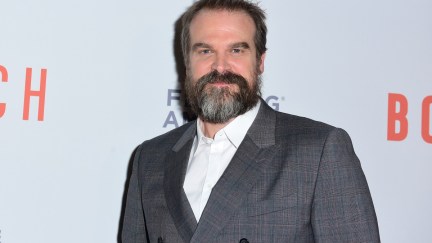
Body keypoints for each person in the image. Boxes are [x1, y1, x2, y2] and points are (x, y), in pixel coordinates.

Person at [121, 0, 380, 242]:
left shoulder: (319, 151)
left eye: (236, 50)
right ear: (187, 62)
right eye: (205, 50)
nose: (220, 66)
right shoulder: (150, 158)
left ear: (260, 62)